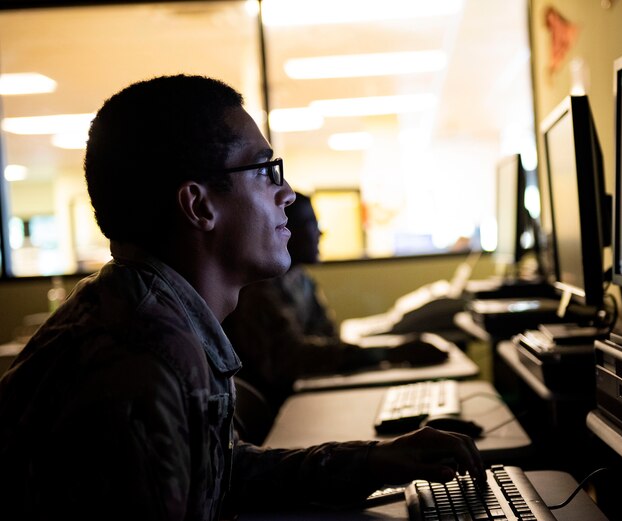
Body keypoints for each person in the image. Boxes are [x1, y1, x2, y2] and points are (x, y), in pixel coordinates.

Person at [0, 75, 484, 520]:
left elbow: (225, 475)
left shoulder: (156, 315)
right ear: (199, 205)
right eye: (266, 170)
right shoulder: (141, 359)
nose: (287, 193)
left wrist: (373, 461)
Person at [222, 192, 449, 414]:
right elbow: (293, 358)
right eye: (310, 224)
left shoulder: (301, 280)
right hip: (281, 413)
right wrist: (388, 353)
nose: (321, 233)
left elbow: (327, 337)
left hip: (306, 400)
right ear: (284, 229)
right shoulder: (258, 290)